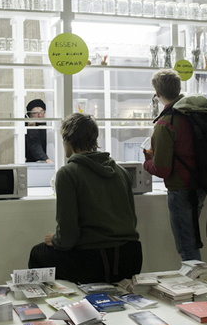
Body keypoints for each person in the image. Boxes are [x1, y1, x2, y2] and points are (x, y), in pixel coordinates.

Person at [28, 113, 142, 283]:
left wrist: (56, 240)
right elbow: (132, 221)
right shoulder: (121, 172)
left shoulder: (68, 173)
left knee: (38, 253)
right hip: (130, 258)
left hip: (94, 261)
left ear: (68, 139)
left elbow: (68, 236)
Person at [143, 69, 207, 261]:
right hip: (201, 184)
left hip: (180, 188)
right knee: (191, 241)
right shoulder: (196, 114)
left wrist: (147, 162)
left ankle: (196, 279)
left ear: (157, 93)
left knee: (186, 247)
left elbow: (162, 169)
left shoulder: (166, 123)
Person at [25, 98, 52, 163]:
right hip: (33, 162)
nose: (40, 115)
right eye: (35, 113)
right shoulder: (28, 126)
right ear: (29, 115)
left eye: (42, 112)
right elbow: (34, 144)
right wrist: (46, 159)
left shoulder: (48, 124)